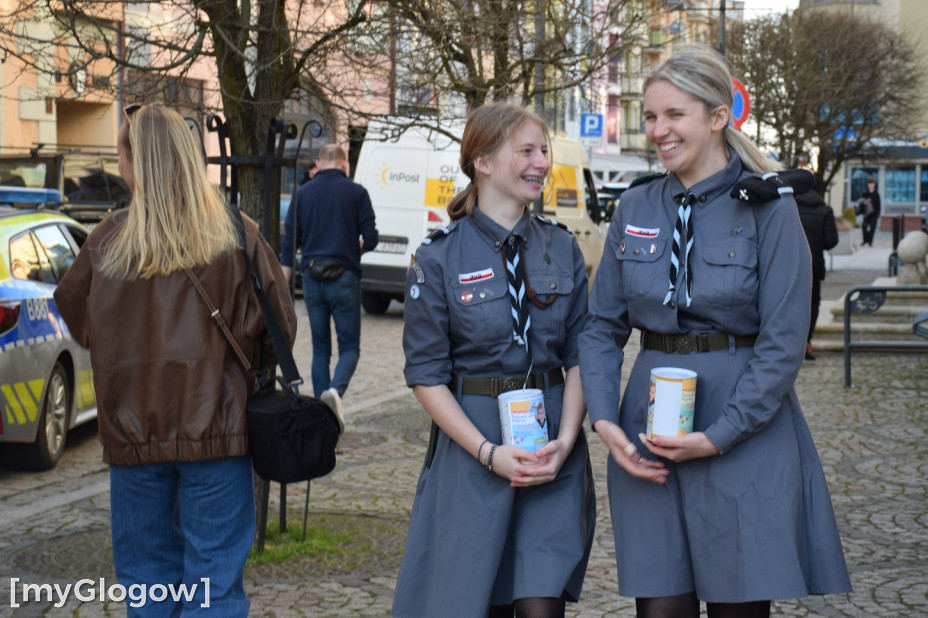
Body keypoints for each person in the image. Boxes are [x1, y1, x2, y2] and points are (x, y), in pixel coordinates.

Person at [578, 46, 851, 618]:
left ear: (718, 116)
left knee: (739, 608)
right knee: (661, 610)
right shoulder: (635, 207)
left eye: (674, 115)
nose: (658, 130)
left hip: (744, 430)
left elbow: (782, 341)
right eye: (650, 117)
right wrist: (605, 420)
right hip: (648, 431)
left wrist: (720, 434)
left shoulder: (770, 210)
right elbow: (601, 326)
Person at [54, 104, 297, 616]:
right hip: (218, 430)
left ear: (128, 162)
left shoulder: (106, 242)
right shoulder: (235, 234)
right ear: (190, 159)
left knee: (147, 585)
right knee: (214, 589)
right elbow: (281, 329)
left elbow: (77, 320)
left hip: (132, 435)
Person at [392, 103, 596, 618]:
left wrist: (566, 442)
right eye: (525, 151)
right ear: (481, 160)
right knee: (474, 602)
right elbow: (426, 377)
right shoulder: (437, 258)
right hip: (473, 456)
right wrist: (488, 453)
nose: (541, 162)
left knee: (540, 605)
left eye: (543, 150)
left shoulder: (563, 247)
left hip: (551, 454)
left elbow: (580, 356)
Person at [280, 143, 378, 432]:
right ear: (345, 164)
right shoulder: (357, 193)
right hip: (345, 277)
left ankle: (321, 419)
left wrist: (280, 289)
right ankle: (335, 391)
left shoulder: (302, 194)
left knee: (320, 349)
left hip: (312, 278)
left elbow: (289, 245)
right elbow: (371, 238)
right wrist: (354, 248)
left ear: (319, 165)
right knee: (349, 347)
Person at [796, 176, 839, 360]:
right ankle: (806, 341)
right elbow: (831, 241)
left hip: (792, 263)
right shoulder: (825, 210)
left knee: (791, 303)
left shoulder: (792, 206)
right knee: (812, 303)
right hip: (814, 265)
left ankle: (793, 342)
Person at [857, 176, 881, 246]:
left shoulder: (876, 194)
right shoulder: (865, 194)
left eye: (872, 183)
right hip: (866, 214)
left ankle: (870, 241)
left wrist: (877, 214)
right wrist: (864, 204)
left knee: (872, 229)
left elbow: (878, 205)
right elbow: (860, 203)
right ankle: (865, 240)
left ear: (874, 184)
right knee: (864, 226)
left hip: (874, 214)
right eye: (869, 183)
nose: (870, 185)